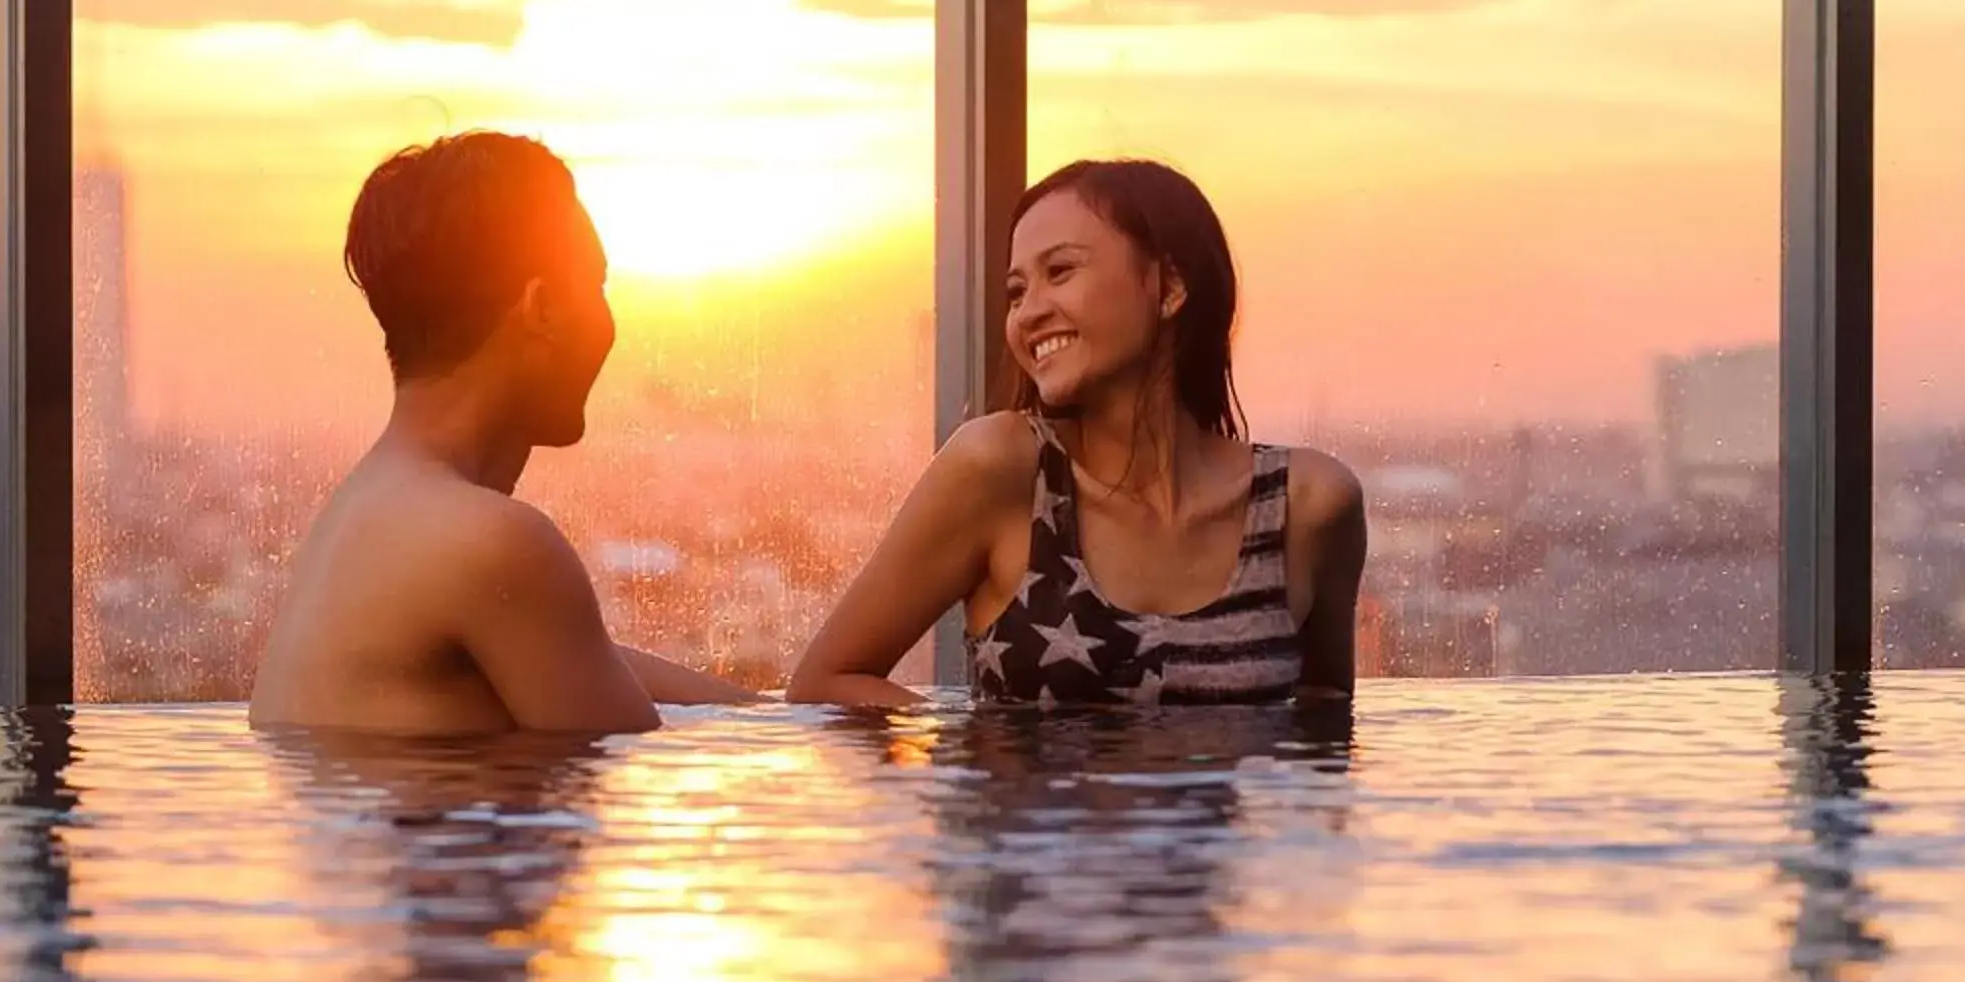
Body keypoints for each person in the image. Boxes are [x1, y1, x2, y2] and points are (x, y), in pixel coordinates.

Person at [790, 159, 1367, 709]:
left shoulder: (1308, 506)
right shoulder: (1002, 469)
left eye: (1060, 272)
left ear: (1169, 287)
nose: (1028, 313)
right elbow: (827, 681)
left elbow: (1321, 729)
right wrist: (978, 755)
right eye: (1017, 292)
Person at [251, 131, 750, 734]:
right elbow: (625, 785)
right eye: (595, 285)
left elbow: (581, 656)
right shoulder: (495, 542)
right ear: (541, 309)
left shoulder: (368, 512)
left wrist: (771, 713)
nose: (608, 321)